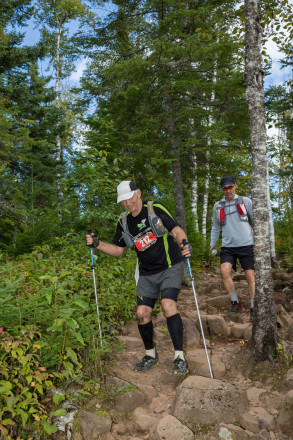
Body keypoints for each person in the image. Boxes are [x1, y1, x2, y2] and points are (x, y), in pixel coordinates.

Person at [86, 181, 192, 375]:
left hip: (170, 266)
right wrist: (97, 244)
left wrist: (184, 243)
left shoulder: (155, 208)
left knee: (168, 305)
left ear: (139, 193)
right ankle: (150, 354)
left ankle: (179, 357)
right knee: (142, 313)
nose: (128, 203)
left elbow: (175, 229)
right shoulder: (124, 222)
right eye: (124, 201)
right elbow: (118, 250)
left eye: (131, 198)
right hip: (146, 272)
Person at [210, 176, 255, 322]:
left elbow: (258, 219)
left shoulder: (245, 201)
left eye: (230, 187)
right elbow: (216, 227)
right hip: (228, 246)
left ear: (235, 186)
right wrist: (212, 244)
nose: (228, 190)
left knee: (250, 275)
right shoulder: (218, 206)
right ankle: (236, 303)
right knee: (224, 271)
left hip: (247, 244)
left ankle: (254, 307)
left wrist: (265, 239)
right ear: (222, 189)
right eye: (225, 188)